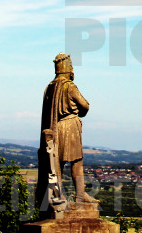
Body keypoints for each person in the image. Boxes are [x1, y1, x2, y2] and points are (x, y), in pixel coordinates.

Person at [36, 53, 96, 215]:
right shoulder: (69, 86)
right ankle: (80, 195)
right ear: (68, 69)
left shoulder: (50, 87)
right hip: (70, 126)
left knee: (57, 163)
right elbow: (85, 105)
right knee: (76, 163)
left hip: (56, 128)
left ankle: (58, 194)